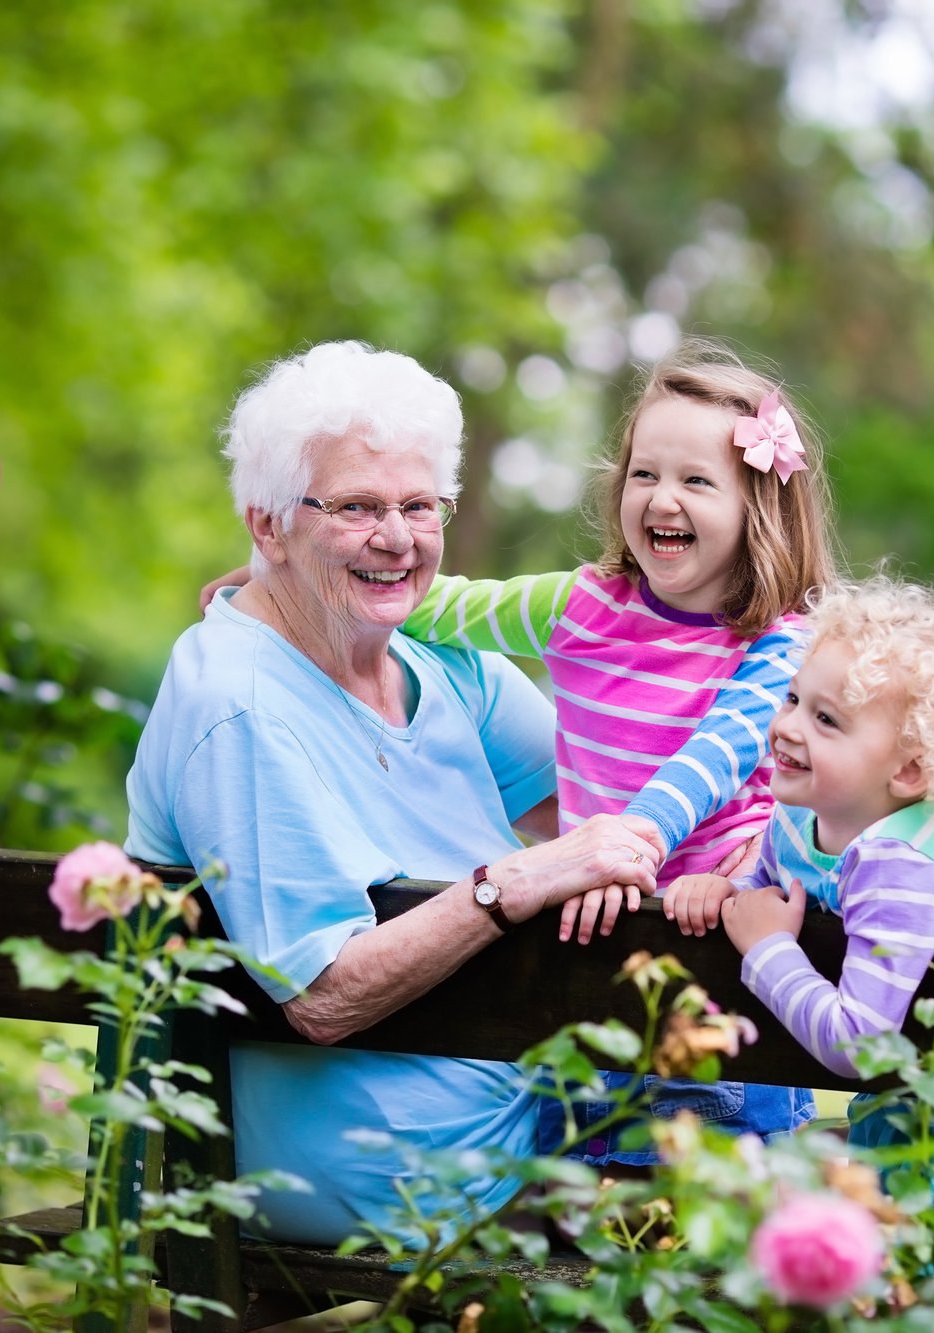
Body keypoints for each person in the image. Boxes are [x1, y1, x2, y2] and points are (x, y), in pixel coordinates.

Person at [199, 341, 839, 1164]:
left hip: (711, 977)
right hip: (587, 978)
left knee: (703, 1229)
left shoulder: (780, 646)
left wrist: (621, 845)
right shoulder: (583, 606)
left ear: (760, 508)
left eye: (696, 481)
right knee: (590, 1208)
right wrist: (270, 582)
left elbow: (709, 763)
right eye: (644, 474)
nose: (661, 498)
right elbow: (446, 607)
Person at [124, 341, 660, 1246]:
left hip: (528, 1118)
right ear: (266, 527)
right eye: (357, 508)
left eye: (419, 505)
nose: (399, 538)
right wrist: (511, 882)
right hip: (385, 1170)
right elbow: (322, 994)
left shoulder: (439, 662)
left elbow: (632, 823)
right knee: (762, 1190)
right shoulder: (240, 706)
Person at [667, 576, 934, 1224]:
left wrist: (769, 950)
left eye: (826, 718)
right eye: (792, 698)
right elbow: (766, 900)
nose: (785, 725)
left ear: (907, 771)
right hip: (903, 1110)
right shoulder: (793, 822)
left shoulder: (899, 867)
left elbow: (860, 1045)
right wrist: (726, 890)